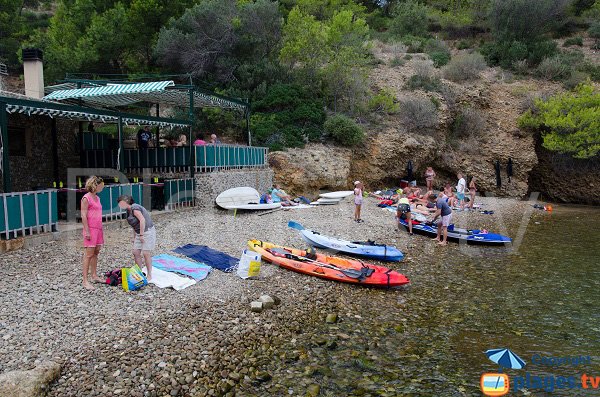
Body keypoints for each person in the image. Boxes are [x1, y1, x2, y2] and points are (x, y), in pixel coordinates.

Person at [117, 195, 156, 281]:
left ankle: (149, 274)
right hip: (139, 232)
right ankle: (139, 272)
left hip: (147, 231)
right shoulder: (127, 212)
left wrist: (141, 235)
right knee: (135, 252)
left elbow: (142, 220)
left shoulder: (135, 207)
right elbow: (134, 225)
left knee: (146, 253)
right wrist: (135, 237)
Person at [81, 176, 105, 290]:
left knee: (96, 252)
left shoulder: (98, 198)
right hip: (91, 229)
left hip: (99, 228)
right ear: (95, 185)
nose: (102, 188)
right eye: (101, 186)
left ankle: (94, 275)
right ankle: (85, 281)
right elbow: (83, 215)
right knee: (89, 254)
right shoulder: (86, 198)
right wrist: (87, 230)